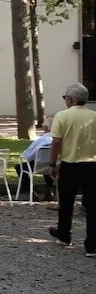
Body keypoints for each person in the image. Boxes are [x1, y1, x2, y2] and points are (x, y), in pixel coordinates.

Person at [48, 82, 96, 255]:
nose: (65, 100)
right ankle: (92, 244)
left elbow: (56, 142)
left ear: (71, 99)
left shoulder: (62, 116)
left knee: (66, 202)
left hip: (70, 164)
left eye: (65, 97)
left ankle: (64, 234)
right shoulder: (94, 116)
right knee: (92, 206)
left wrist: (52, 164)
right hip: (92, 165)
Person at [16, 117, 54, 201]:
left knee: (19, 167)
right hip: (53, 166)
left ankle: (30, 192)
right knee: (47, 165)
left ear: (46, 128)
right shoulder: (57, 140)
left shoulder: (42, 140)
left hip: (37, 166)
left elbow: (28, 155)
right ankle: (49, 191)